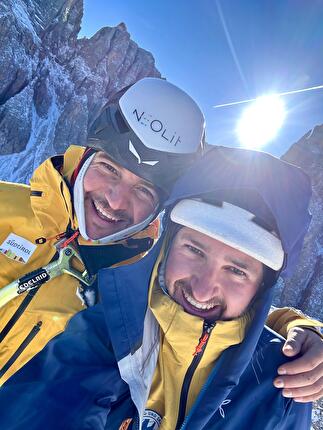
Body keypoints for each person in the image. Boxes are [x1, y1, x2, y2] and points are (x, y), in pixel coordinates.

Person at [0, 146, 321, 430]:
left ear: (261, 287)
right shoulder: (103, 334)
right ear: (166, 249)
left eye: (236, 271)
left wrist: (303, 328)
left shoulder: (282, 388)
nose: (203, 289)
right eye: (194, 250)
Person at [0, 77, 206, 384]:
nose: (115, 201)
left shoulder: (143, 284)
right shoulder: (4, 205)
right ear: (83, 158)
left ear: (158, 210)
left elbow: (220, 310)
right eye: (109, 168)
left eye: (144, 191)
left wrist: (296, 329)